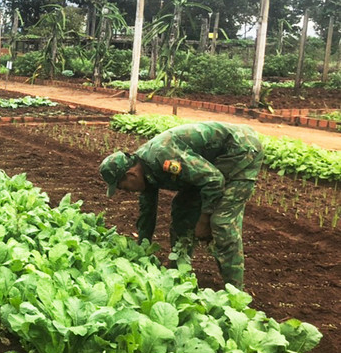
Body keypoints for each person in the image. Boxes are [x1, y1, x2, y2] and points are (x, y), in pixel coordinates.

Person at [99, 121, 264, 290]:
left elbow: (214, 180)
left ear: (131, 174)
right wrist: (141, 253)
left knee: (222, 222)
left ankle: (236, 292)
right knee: (182, 209)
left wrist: (204, 220)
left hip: (240, 150)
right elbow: (147, 215)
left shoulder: (162, 157)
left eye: (122, 187)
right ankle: (178, 269)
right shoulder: (144, 172)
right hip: (212, 163)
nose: (126, 192)